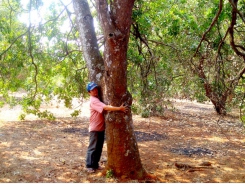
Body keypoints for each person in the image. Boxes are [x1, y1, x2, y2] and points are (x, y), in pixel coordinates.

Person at [85, 82, 128, 173]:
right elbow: (106, 108)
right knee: (93, 147)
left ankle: (95, 164)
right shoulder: (94, 100)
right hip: (95, 128)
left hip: (100, 128)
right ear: (89, 92)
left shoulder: (97, 98)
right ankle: (89, 165)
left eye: (96, 89)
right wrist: (119, 109)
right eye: (92, 90)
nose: (95, 91)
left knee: (99, 147)